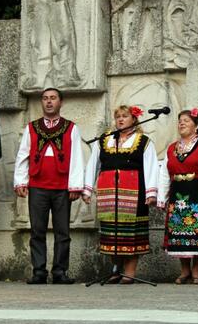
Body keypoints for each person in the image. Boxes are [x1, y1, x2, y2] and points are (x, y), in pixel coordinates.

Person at [13, 88, 84, 284]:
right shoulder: (32, 127)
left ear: (61, 102)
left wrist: (75, 186)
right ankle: (39, 272)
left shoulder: (71, 128)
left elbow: (77, 157)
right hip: (37, 186)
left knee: (63, 231)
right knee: (37, 230)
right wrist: (20, 181)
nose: (49, 102)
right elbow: (23, 155)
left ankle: (60, 272)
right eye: (45, 99)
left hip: (62, 187)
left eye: (53, 98)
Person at [82, 105, 159, 284]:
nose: (121, 120)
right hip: (109, 193)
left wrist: (151, 192)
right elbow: (94, 164)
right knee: (112, 231)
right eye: (118, 117)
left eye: (125, 116)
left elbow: (151, 167)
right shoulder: (105, 140)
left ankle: (129, 272)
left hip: (135, 192)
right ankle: (115, 270)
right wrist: (87, 189)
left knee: (131, 233)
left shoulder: (143, 141)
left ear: (134, 119)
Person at [157, 109, 198, 284]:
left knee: (196, 232)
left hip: (197, 193)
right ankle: (184, 270)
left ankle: (196, 270)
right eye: (180, 121)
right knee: (180, 231)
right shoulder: (172, 148)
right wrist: (162, 197)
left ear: (196, 125)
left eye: (186, 120)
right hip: (178, 193)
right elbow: (164, 173)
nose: (182, 123)